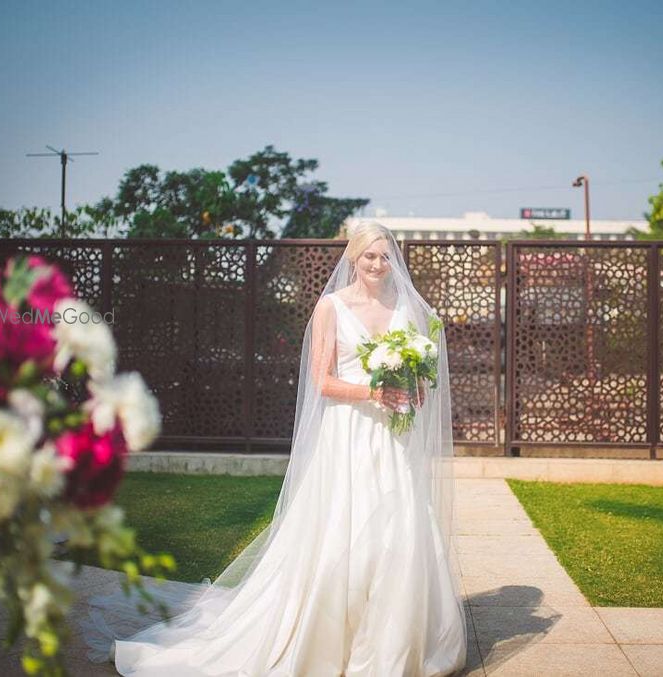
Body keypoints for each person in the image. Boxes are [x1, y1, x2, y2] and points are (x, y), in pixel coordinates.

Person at [81, 221, 467, 676]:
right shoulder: (331, 308)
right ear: (353, 259)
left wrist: (413, 389)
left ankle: (394, 643)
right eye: (370, 256)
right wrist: (374, 394)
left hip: (393, 439)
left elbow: (421, 379)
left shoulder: (405, 305)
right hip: (348, 437)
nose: (379, 265)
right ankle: (328, 641)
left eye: (385, 256)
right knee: (345, 533)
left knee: (399, 530)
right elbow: (322, 381)